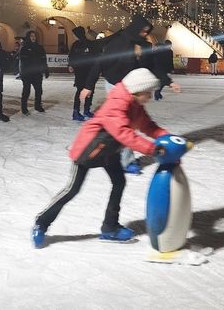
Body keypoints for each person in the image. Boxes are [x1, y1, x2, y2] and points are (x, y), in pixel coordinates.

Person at [31, 69, 172, 249]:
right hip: (87, 151)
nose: (150, 96)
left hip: (109, 152)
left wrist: (166, 137)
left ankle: (110, 228)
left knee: (119, 182)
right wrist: (153, 149)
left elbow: (148, 126)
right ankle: (41, 223)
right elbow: (124, 133)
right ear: (137, 91)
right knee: (72, 190)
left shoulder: (135, 105)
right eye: (148, 92)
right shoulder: (116, 104)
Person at [81, 15, 170, 175]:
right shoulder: (118, 42)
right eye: (142, 31)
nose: (144, 34)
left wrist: (167, 81)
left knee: (132, 122)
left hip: (134, 88)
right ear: (135, 28)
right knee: (125, 125)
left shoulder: (144, 45)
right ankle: (123, 159)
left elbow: (153, 65)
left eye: (146, 32)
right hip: (115, 85)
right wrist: (88, 86)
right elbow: (100, 62)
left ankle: (116, 152)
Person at [68, 26, 99, 121]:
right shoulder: (75, 45)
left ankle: (86, 110)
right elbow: (71, 56)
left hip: (90, 71)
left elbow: (95, 56)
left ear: (78, 34)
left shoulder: (90, 44)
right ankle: (76, 112)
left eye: (74, 34)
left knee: (90, 91)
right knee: (80, 91)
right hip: (80, 72)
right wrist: (70, 65)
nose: (74, 36)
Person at [19, 30, 48, 115]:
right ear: (28, 37)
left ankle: (37, 105)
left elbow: (43, 59)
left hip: (37, 73)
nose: (33, 37)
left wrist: (45, 69)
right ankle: (24, 108)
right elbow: (23, 61)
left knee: (39, 90)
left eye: (34, 36)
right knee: (26, 91)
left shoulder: (40, 47)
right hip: (27, 73)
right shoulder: (24, 48)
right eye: (31, 36)